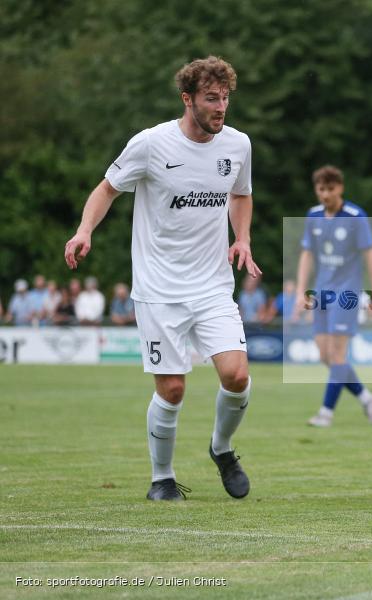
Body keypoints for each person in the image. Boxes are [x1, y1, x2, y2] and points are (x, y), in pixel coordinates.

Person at [64, 56, 258, 501]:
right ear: (187, 99)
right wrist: (84, 230)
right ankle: (162, 478)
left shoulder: (238, 145)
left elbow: (242, 195)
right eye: (211, 98)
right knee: (172, 387)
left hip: (212, 285)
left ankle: (222, 448)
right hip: (159, 289)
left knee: (237, 375)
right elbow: (107, 188)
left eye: (225, 98)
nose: (221, 107)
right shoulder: (151, 144)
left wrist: (242, 238)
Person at [292, 165, 372, 427]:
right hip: (321, 293)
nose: (325, 194)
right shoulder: (313, 216)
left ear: (340, 188)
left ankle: (326, 413)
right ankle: (367, 398)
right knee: (326, 356)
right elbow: (307, 254)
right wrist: (301, 291)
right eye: (321, 189)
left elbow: (370, 256)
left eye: (330, 189)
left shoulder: (356, 216)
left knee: (338, 355)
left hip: (346, 294)